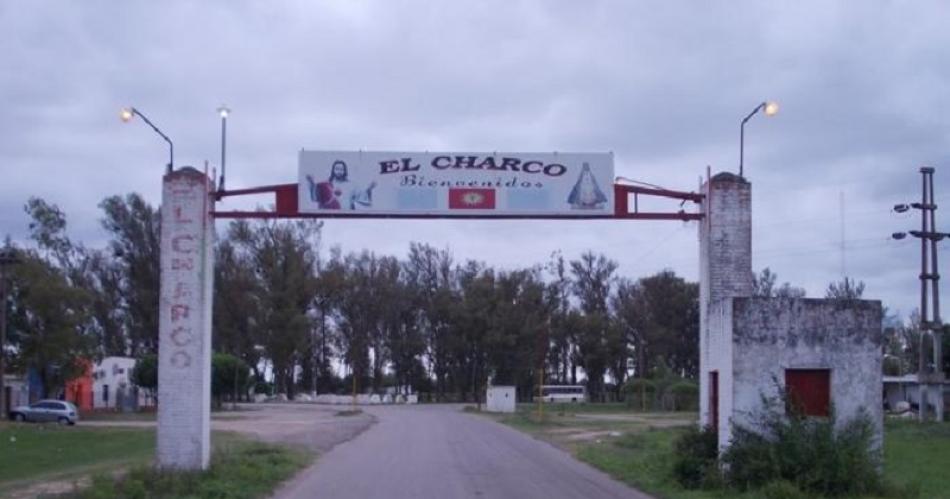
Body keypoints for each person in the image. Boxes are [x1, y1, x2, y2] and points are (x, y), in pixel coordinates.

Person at [306, 160, 376, 210]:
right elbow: (315, 198)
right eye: (337, 169)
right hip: (328, 217)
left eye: (341, 169)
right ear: (333, 170)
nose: (339, 171)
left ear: (345, 171)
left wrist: (369, 189)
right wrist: (311, 182)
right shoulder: (326, 184)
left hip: (347, 218)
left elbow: (364, 199)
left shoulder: (351, 185)